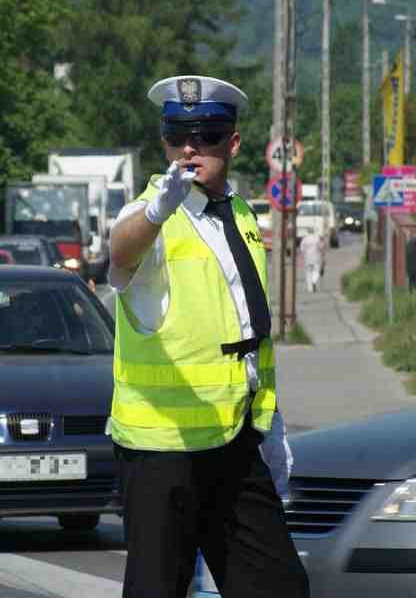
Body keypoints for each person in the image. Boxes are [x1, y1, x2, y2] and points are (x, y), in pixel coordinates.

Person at [108, 75, 308, 598]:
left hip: (235, 441)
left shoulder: (238, 214)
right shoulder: (153, 211)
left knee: (280, 586)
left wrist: (273, 424)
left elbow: (248, 328)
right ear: (165, 142)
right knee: (157, 589)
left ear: (234, 143)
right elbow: (122, 251)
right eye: (177, 134)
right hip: (161, 450)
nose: (191, 147)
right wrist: (156, 213)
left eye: (209, 133)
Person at [300, 227, 325, 293]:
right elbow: (321, 247)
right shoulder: (317, 238)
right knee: (317, 271)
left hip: (307, 258)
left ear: (308, 232)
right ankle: (314, 281)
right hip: (316, 257)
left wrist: (303, 255)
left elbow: (302, 249)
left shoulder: (305, 239)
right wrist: (323, 255)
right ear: (313, 231)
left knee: (308, 273)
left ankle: (310, 288)